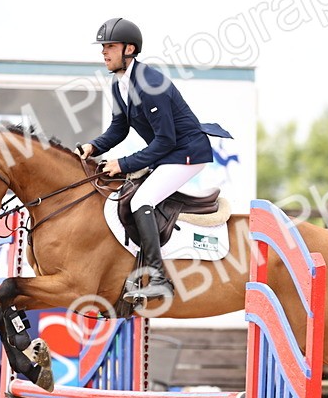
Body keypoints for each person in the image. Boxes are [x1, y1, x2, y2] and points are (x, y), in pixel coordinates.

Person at [77, 17, 231, 303]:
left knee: (140, 201)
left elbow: (165, 140)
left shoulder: (150, 83)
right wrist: (93, 146)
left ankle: (159, 278)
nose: (104, 52)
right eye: (103, 47)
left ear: (129, 49)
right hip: (170, 152)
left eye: (110, 46)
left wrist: (123, 164)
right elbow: (119, 129)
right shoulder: (119, 84)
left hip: (187, 153)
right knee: (127, 194)